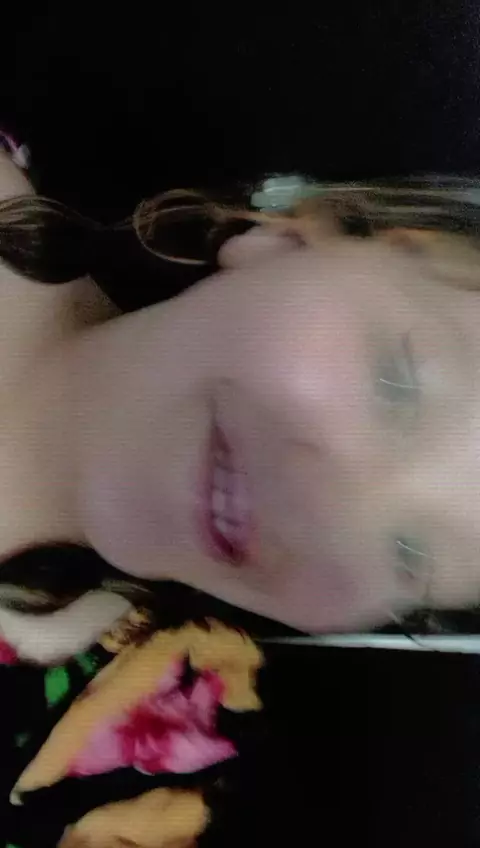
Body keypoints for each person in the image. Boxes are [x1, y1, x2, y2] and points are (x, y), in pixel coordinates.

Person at [3, 143, 480, 638]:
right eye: (397, 384)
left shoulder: (165, 676)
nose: (335, 506)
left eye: (410, 555)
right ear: (292, 240)